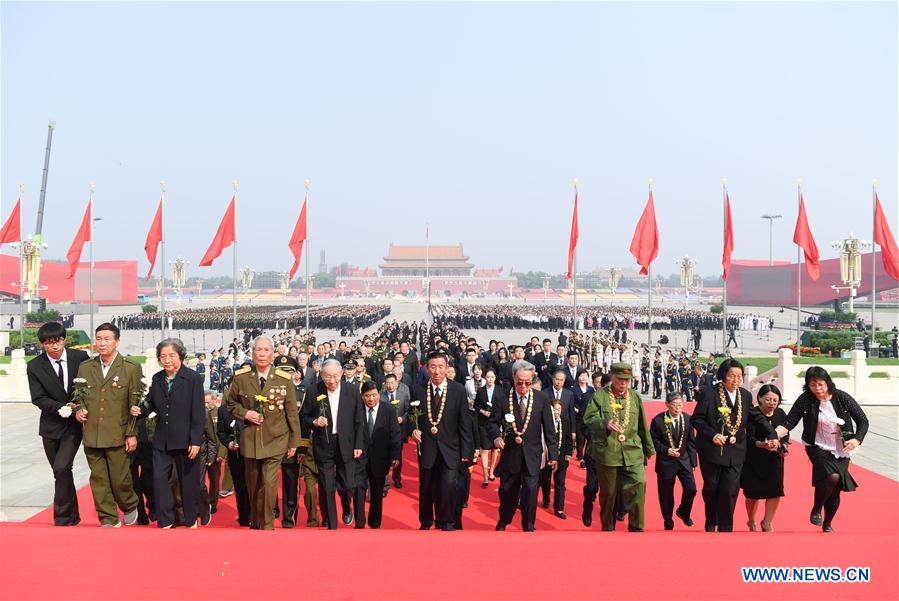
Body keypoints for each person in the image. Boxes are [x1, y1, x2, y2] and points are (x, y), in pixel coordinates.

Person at [775, 367, 868, 532]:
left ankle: (828, 523)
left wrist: (856, 439)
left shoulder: (842, 397)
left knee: (836, 487)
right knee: (832, 476)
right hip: (817, 446)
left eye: (820, 384)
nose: (817, 388)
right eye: (812, 385)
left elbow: (863, 421)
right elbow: (790, 422)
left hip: (842, 447)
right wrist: (773, 435)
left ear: (828, 383)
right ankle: (816, 509)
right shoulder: (805, 399)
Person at [691, 358, 777, 532]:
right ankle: (711, 520)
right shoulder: (710, 393)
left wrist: (772, 434)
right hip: (712, 450)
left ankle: (726, 526)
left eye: (739, 376)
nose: (736, 380)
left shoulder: (745, 395)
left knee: (730, 488)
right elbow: (697, 420)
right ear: (723, 375)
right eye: (732, 376)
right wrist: (712, 434)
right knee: (712, 488)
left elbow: (756, 416)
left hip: (736, 451)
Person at [225, 336, 301, 530]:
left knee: (268, 481)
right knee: (254, 483)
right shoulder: (241, 378)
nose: (262, 354)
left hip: (276, 437)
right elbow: (230, 403)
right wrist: (245, 413)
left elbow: (291, 412)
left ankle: (267, 524)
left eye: (266, 350)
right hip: (251, 438)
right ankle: (257, 522)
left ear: (273, 354)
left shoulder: (284, 379)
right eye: (259, 350)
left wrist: (294, 442)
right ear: (252, 353)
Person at [74, 322, 142, 527]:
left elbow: (135, 403)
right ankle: (108, 517)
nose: (102, 343)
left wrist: (131, 434)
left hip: (118, 433)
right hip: (93, 433)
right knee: (98, 480)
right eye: (99, 339)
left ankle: (129, 505)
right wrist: (78, 410)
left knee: (120, 479)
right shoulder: (86, 367)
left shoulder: (131, 368)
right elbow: (79, 396)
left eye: (107, 339)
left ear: (117, 341)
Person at [26, 322, 90, 526]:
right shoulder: (35, 366)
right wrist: (63, 407)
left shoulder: (80, 358)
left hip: (73, 426)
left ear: (64, 340)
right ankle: (73, 515)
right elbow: (38, 398)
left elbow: (89, 387)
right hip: (50, 426)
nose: (53, 346)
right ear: (42, 344)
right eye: (48, 343)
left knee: (62, 467)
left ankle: (62, 517)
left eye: (57, 341)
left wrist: (76, 409)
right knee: (60, 471)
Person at [139, 338, 207, 528]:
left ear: (181, 356)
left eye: (171, 356)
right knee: (159, 479)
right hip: (162, 439)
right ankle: (165, 519)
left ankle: (191, 518)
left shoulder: (192, 378)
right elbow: (151, 403)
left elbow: (198, 411)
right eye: (163, 356)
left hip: (186, 440)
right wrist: (140, 409)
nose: (167, 360)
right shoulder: (158, 378)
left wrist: (195, 440)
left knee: (188, 481)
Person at [583, 362, 655, 532]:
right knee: (608, 493)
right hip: (608, 451)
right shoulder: (600, 396)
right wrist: (604, 423)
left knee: (639, 483)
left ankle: (636, 526)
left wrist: (648, 448)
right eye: (620, 379)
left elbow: (642, 424)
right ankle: (608, 526)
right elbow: (588, 418)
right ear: (612, 377)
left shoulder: (634, 396)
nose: (623, 383)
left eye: (627, 380)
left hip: (632, 449)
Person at [488, 360, 558, 532]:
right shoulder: (502, 398)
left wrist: (553, 455)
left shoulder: (541, 399)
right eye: (520, 382)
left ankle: (528, 525)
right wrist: (496, 438)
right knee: (507, 492)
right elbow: (492, 423)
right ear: (513, 378)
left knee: (531, 492)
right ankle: (504, 519)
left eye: (528, 382)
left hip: (532, 454)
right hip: (510, 453)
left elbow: (549, 430)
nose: (524, 386)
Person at [409, 351, 474, 531]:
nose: (437, 371)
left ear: (447, 368)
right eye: (433, 367)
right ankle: (426, 521)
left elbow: (465, 423)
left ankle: (446, 521)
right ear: (427, 368)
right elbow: (410, 417)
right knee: (426, 487)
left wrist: (467, 453)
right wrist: (412, 430)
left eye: (440, 367)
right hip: (427, 448)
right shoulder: (418, 389)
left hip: (451, 448)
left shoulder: (458, 390)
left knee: (448, 485)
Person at [301, 358, 365, 530]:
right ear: (321, 375)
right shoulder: (314, 390)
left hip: (346, 443)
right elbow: (304, 416)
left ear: (342, 373)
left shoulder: (352, 391)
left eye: (335, 376)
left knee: (347, 484)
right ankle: (331, 522)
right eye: (327, 376)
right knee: (326, 484)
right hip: (324, 443)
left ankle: (346, 505)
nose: (331, 380)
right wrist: (315, 421)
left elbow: (360, 420)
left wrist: (359, 445)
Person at [741, 384, 789, 532]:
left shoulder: (780, 413)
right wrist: (761, 444)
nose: (772, 403)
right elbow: (748, 437)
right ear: (760, 399)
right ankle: (751, 521)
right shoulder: (753, 413)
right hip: (754, 458)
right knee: (752, 493)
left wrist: (784, 446)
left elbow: (786, 434)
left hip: (774, 458)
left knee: (775, 490)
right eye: (768, 399)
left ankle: (767, 522)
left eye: (775, 400)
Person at [356, 381, 402, 528]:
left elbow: (395, 433)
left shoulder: (388, 409)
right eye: (367, 396)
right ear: (362, 396)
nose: (371, 399)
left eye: (374, 395)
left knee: (377, 492)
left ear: (379, 394)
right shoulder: (357, 410)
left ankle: (375, 522)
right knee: (359, 490)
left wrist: (395, 456)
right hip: (359, 458)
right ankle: (359, 521)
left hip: (380, 457)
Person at [649, 392, 697, 530]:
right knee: (666, 494)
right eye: (674, 405)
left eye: (680, 405)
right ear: (667, 405)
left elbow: (691, 443)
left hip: (684, 461)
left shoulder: (688, 419)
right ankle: (668, 519)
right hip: (666, 462)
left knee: (691, 489)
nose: (677, 408)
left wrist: (693, 462)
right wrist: (665, 450)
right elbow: (653, 441)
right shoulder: (658, 421)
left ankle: (683, 512)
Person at [541, 369, 576, 518]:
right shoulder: (544, 393)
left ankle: (559, 508)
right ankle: (546, 498)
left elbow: (572, 415)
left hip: (563, 436)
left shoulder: (569, 394)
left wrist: (572, 434)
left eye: (561, 380)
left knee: (560, 482)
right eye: (556, 379)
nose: (558, 382)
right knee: (545, 478)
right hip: (548, 442)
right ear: (552, 379)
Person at [279, 369, 306, 528]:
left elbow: (302, 422)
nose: (286, 374)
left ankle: (289, 518)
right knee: (268, 482)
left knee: (290, 482)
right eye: (283, 370)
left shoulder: (302, 393)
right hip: (270, 443)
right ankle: (271, 512)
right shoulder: (267, 390)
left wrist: (300, 446)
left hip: (291, 444)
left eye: (290, 371)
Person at [216, 401, 250, 526]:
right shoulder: (223, 410)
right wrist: (229, 442)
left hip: (254, 452)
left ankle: (256, 514)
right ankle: (244, 517)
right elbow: (221, 432)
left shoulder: (252, 404)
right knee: (240, 485)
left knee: (253, 485)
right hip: (235, 453)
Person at [381, 373, 410, 490]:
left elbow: (409, 410)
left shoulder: (403, 395)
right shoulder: (381, 396)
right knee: (384, 456)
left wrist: (402, 418)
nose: (390, 385)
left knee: (397, 455)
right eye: (388, 383)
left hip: (399, 431)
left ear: (397, 383)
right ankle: (385, 483)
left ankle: (397, 478)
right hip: (384, 431)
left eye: (392, 383)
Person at [474, 368, 502, 487]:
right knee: (485, 449)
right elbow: (475, 405)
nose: (490, 379)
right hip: (483, 423)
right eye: (488, 377)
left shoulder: (500, 391)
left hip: (495, 423)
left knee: (494, 449)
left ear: (495, 378)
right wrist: (482, 411)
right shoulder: (480, 390)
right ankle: (485, 475)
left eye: (492, 377)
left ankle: (491, 471)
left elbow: (503, 406)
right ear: (485, 378)